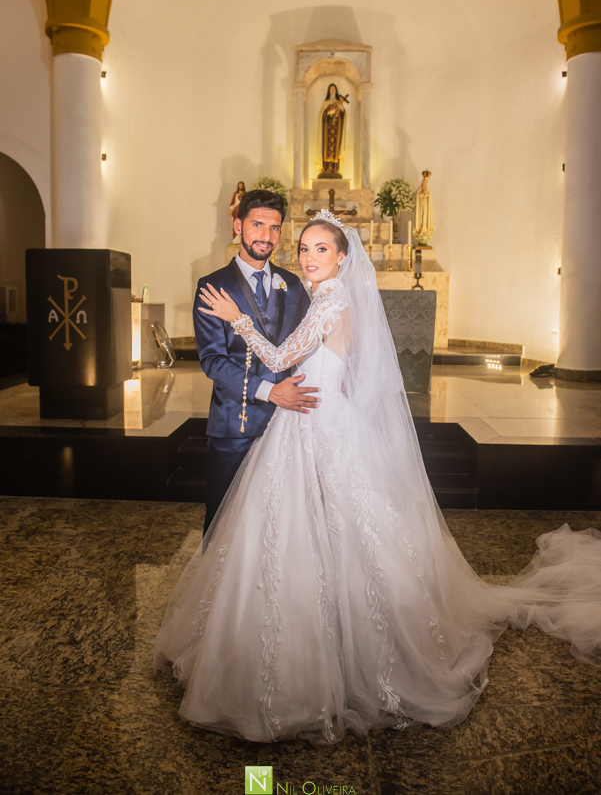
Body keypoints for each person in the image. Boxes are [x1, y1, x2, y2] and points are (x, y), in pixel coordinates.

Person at [155, 210, 601, 744]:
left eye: (320, 249)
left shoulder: (333, 298)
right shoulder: (324, 296)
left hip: (315, 425)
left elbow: (276, 355)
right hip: (309, 420)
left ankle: (342, 656)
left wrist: (237, 318)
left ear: (343, 257)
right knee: (308, 534)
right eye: (304, 247)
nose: (307, 256)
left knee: (333, 535)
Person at [192, 189, 314, 534]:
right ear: (237, 226)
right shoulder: (212, 286)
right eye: (258, 224)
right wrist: (269, 392)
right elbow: (213, 361)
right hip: (236, 423)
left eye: (274, 227)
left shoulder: (291, 284)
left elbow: (306, 347)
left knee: (279, 524)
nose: (266, 235)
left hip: (287, 423)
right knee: (223, 522)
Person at [317, 83, 347, 178]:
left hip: (337, 129)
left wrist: (341, 109)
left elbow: (343, 115)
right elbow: (322, 115)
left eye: (334, 89)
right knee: (326, 147)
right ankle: (326, 168)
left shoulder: (339, 102)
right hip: (327, 129)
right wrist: (330, 112)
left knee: (336, 148)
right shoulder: (326, 102)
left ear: (336, 91)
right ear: (329, 91)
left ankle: (335, 168)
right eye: (331, 89)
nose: (332, 91)